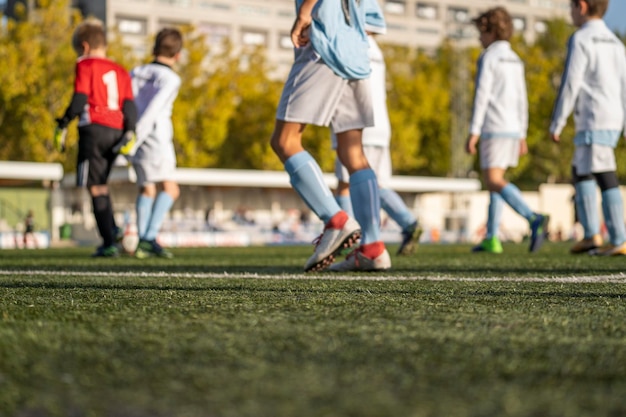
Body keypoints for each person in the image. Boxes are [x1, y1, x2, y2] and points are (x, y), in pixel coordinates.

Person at [270, 0, 391, 272]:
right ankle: (372, 248)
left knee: (285, 141)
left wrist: (304, 13)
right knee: (353, 153)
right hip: (357, 53)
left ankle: (335, 220)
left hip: (323, 46)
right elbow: (374, 20)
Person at [332, 3, 421, 256]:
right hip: (382, 126)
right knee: (374, 184)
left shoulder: (352, 43)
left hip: (358, 123)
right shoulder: (377, 51)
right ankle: (406, 222)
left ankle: (349, 238)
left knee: (346, 183)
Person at [465, 7, 550, 254]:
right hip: (513, 128)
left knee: (492, 180)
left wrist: (474, 131)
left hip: (493, 126)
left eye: (481, 32)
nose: (479, 39)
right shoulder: (515, 58)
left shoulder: (489, 57)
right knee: (497, 181)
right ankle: (492, 237)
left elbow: (482, 96)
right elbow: (522, 98)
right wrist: (522, 132)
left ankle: (533, 217)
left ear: (491, 32)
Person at [54, 18, 137, 257]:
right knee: (101, 184)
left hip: (94, 127)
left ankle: (108, 242)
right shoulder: (121, 70)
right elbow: (129, 106)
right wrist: (130, 131)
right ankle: (113, 231)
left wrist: (64, 121)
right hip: (117, 131)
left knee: (94, 187)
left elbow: (80, 99)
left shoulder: (85, 64)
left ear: (85, 46)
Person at [550, 0, 626, 256]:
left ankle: (618, 237)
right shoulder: (615, 42)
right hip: (611, 116)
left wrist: (558, 120)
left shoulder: (581, 38)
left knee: (604, 172)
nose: (570, 13)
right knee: (580, 169)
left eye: (570, 7)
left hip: (594, 117)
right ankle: (592, 234)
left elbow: (570, 83)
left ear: (581, 6)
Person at [129, 28, 183, 259]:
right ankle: (148, 237)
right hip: (156, 137)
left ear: (154, 49)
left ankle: (143, 241)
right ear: (178, 55)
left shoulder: (136, 71)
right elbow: (154, 109)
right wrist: (139, 134)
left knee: (147, 188)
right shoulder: (171, 78)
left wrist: (130, 137)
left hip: (135, 136)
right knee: (171, 189)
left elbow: (129, 103)